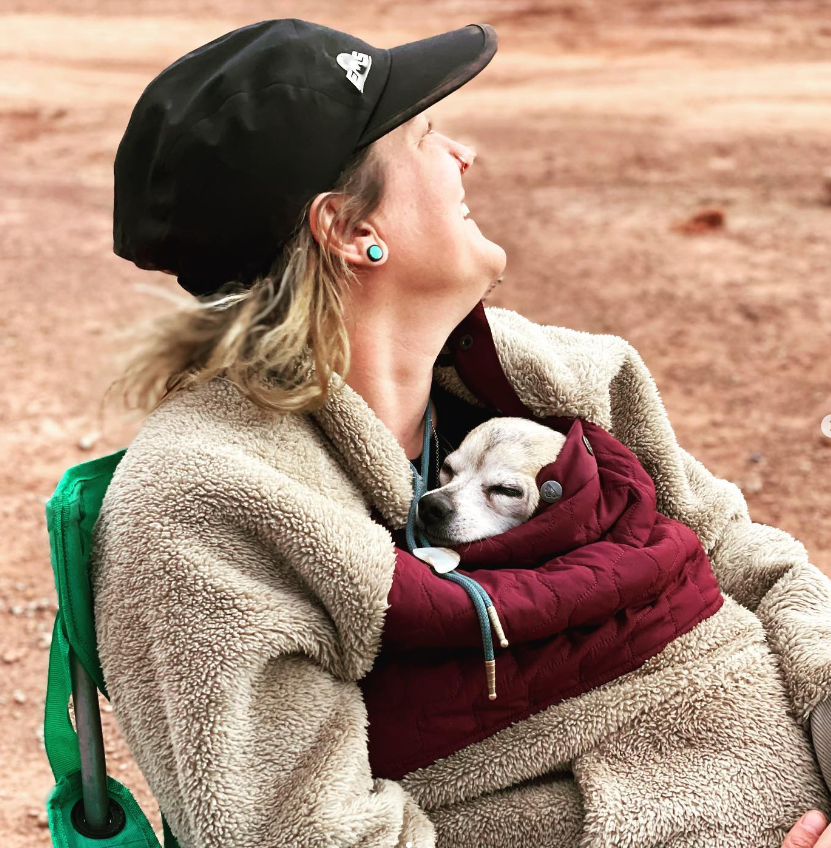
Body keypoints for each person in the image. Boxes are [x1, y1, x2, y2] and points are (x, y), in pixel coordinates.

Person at [92, 18, 831, 848]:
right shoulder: (210, 506)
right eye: (425, 137)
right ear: (349, 230)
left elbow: (747, 560)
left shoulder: (554, 380)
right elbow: (301, 831)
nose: (462, 154)